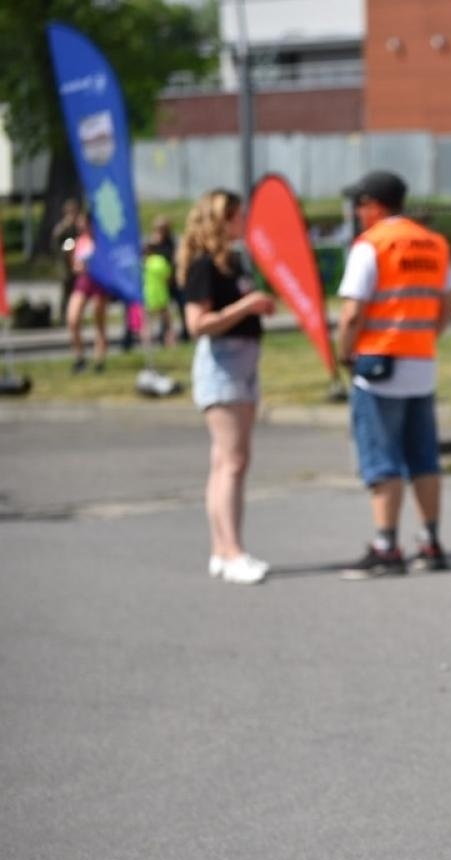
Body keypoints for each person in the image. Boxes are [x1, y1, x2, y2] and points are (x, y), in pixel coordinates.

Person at [334, 170, 451, 578]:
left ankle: (386, 546)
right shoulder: (434, 243)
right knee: (423, 457)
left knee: (381, 457)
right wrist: (422, 338)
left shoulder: (371, 246)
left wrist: (343, 353)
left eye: (360, 203)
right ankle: (431, 542)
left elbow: (352, 313)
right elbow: (448, 307)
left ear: (374, 204)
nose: (356, 211)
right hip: (422, 363)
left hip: (378, 367)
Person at [177, 189, 277, 586]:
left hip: (243, 359)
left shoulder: (233, 261)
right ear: (220, 220)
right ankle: (234, 551)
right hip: (222, 361)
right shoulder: (204, 265)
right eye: (237, 216)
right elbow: (197, 323)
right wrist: (246, 307)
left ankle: (222, 549)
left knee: (226, 461)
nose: (243, 222)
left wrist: (256, 306)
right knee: (233, 461)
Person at [64, 213, 109, 374]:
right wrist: (76, 265)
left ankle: (99, 361)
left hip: (99, 282)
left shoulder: (101, 241)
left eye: (84, 223)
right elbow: (75, 265)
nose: (81, 226)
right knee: (73, 319)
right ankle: (80, 357)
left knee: (99, 322)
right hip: (84, 281)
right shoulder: (78, 242)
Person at [52, 198, 82, 326]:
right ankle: (63, 316)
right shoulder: (62, 226)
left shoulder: (78, 226)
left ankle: (75, 316)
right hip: (65, 264)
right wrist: (66, 225)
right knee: (66, 291)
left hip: (76, 262)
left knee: (77, 291)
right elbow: (55, 240)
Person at [142, 238, 174, 349]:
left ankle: (148, 345)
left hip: (148, 294)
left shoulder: (144, 263)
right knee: (167, 323)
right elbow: (168, 275)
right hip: (161, 293)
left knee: (147, 323)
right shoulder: (160, 260)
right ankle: (170, 344)